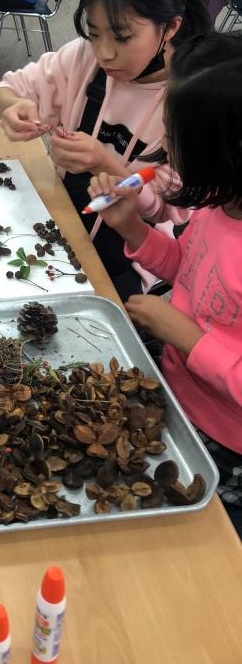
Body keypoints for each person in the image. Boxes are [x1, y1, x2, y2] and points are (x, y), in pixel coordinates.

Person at [0, 0, 211, 301]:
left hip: (127, 260)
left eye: (122, 37)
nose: (104, 53)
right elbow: (8, 88)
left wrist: (103, 163)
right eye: (94, 34)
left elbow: (172, 210)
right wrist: (12, 107)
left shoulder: (192, 98)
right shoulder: (84, 59)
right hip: (63, 222)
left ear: (170, 28)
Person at [87, 32, 242, 535]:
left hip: (224, 442)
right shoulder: (221, 207)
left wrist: (185, 335)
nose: (164, 147)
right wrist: (133, 229)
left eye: (175, 135)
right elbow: (188, 270)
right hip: (175, 392)